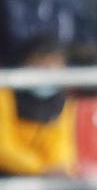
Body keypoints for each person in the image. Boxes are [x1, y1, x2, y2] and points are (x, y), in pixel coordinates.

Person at [0, 39, 75, 178]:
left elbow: (62, 145)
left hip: (50, 174)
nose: (50, 69)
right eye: (43, 63)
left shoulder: (61, 99)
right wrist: (40, 169)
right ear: (27, 62)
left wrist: (58, 166)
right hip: (11, 173)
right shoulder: (4, 95)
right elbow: (3, 149)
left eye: (56, 63)